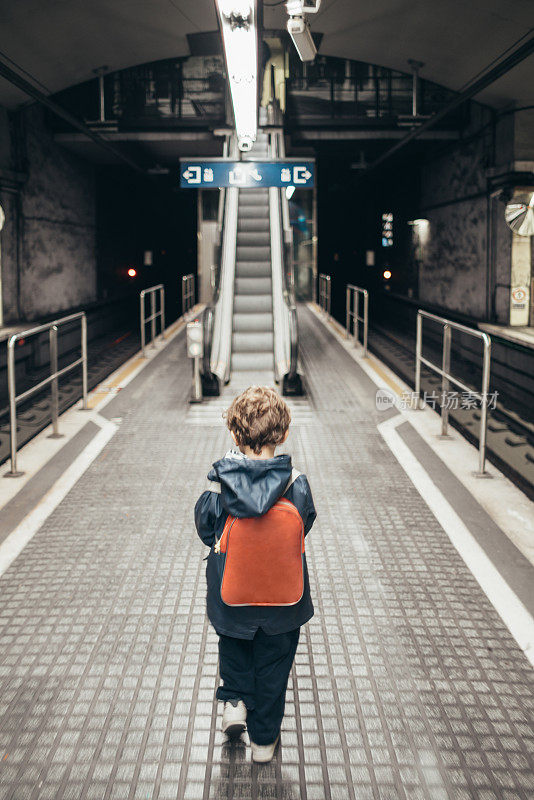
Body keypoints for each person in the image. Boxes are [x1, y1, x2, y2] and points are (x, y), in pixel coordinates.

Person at [194, 386, 316, 763]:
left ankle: (233, 702)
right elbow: (304, 524)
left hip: (232, 595)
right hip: (284, 601)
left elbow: (205, 527)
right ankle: (263, 743)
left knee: (234, 648)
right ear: (282, 434)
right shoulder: (296, 484)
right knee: (274, 668)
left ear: (234, 435)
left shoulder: (220, 482)